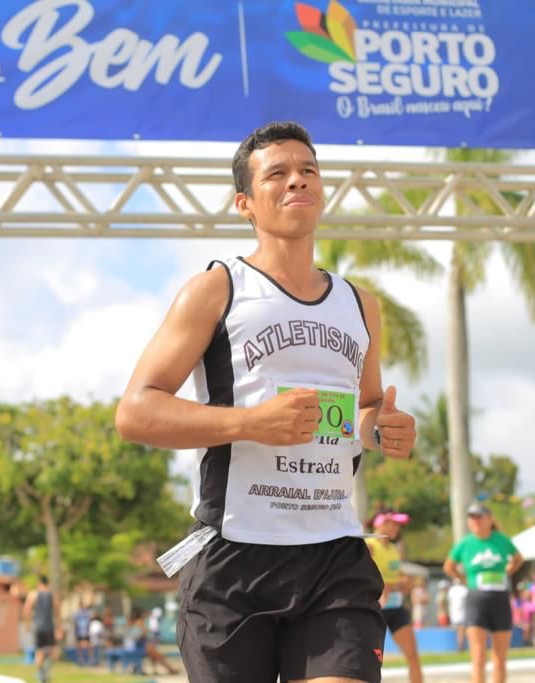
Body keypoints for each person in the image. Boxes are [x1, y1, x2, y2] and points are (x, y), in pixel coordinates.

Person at [116, 120, 418, 683]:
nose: (297, 182)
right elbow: (135, 411)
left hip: (333, 551)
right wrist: (252, 422)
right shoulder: (218, 288)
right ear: (245, 203)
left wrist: (384, 428)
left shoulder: (360, 305)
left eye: (308, 171)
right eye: (277, 174)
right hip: (234, 556)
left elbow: (368, 407)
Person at [443, 503, 523, 683]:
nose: (475, 521)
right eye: (471, 517)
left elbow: (518, 559)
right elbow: (448, 566)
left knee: (500, 660)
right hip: (476, 602)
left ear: (489, 519)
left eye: (479, 516)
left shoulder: (501, 539)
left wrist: (507, 572)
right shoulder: (465, 543)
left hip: (500, 600)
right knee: (478, 658)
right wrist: (464, 580)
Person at [366, 511, 423, 683]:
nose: (397, 527)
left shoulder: (393, 549)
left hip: (395, 607)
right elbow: (364, 576)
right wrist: (391, 585)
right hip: (375, 608)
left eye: (398, 524)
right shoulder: (369, 546)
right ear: (379, 523)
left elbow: (396, 575)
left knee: (413, 655)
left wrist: (408, 582)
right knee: (371, 660)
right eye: (393, 523)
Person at [22, 575, 60, 683]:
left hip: (38, 626)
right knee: (54, 652)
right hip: (49, 627)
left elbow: (26, 609)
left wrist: (27, 624)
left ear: (39, 584)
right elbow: (57, 611)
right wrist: (59, 627)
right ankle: (44, 673)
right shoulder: (51, 595)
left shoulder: (33, 594)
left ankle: (41, 675)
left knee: (39, 652)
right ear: (47, 584)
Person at [447, 577, 469, 651]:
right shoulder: (464, 589)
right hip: (462, 612)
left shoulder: (451, 590)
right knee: (461, 630)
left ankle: (460, 645)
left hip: (454, 613)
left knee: (459, 630)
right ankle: (460, 646)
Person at [72, 599, 93, 666]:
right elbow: (75, 624)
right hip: (79, 632)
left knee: (88, 646)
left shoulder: (87, 613)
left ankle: (90, 659)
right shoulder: (77, 614)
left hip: (86, 632)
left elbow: (90, 621)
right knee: (79, 646)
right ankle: (80, 660)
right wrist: (75, 632)